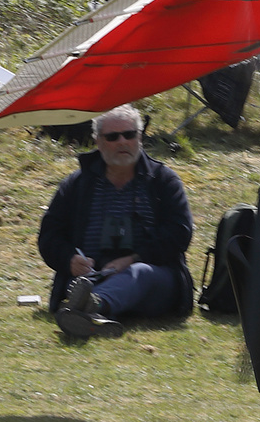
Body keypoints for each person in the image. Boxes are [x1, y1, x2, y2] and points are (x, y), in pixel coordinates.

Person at [38, 104, 195, 338]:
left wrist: (132, 259)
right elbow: (49, 236)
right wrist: (69, 259)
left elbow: (180, 234)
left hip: (152, 280)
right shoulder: (77, 185)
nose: (122, 142)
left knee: (138, 273)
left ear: (140, 138)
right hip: (90, 276)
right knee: (85, 283)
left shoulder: (163, 181)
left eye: (129, 135)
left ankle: (92, 304)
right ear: (98, 142)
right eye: (112, 137)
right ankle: (91, 312)